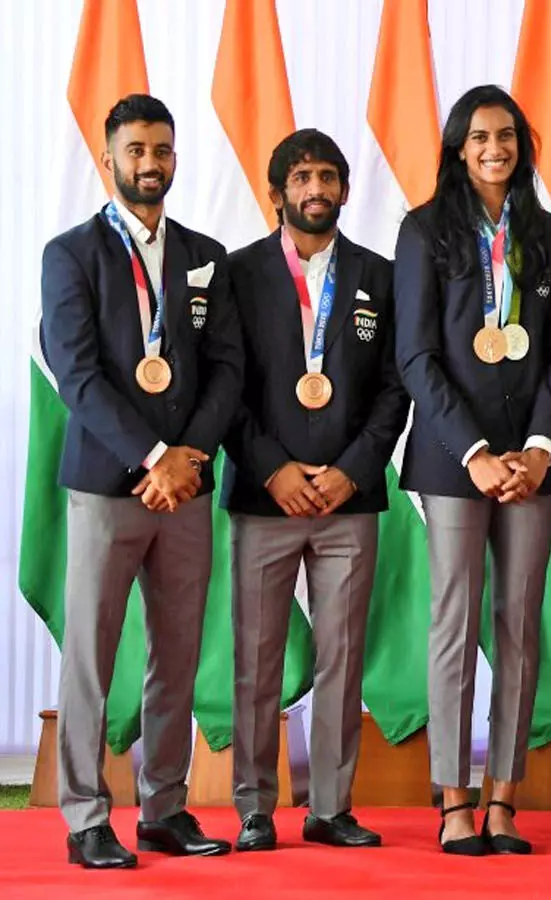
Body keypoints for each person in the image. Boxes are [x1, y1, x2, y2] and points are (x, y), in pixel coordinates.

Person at [41, 93, 242, 868]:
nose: (149, 164)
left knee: (178, 653)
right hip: (106, 486)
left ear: (176, 158)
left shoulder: (204, 255)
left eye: (161, 150)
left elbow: (227, 370)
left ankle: (163, 809)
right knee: (91, 654)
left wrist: (187, 458)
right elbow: (77, 375)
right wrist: (154, 456)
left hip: (185, 492)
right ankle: (88, 817)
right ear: (109, 158)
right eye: (135, 151)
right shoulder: (71, 254)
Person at [394, 84, 551, 855]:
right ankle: (453, 799)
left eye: (505, 136)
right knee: (454, 624)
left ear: (521, 146)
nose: (494, 148)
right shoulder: (424, 228)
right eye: (478, 137)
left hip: (529, 461)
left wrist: (538, 447)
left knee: (520, 628)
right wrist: (473, 452)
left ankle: (505, 797)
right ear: (457, 149)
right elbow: (415, 355)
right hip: (452, 461)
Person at [221, 129, 407, 852]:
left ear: (345, 190)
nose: (315, 188)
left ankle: (331, 807)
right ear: (276, 194)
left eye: (327, 175)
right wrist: (273, 468)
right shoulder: (235, 274)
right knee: (257, 658)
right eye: (301, 177)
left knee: (342, 656)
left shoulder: (380, 276)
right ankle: (254, 809)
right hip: (266, 496)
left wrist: (351, 470)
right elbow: (224, 387)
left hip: (347, 499)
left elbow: (395, 390)